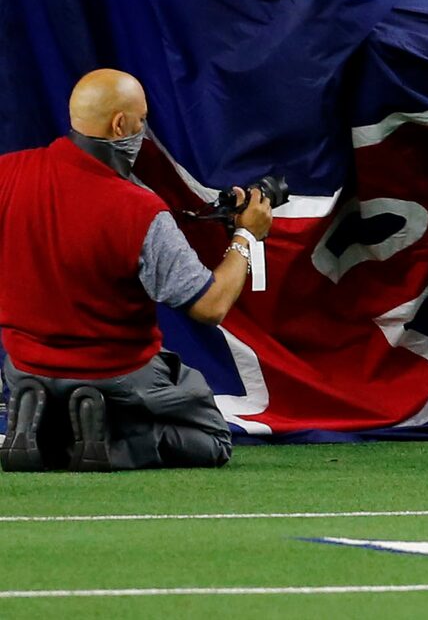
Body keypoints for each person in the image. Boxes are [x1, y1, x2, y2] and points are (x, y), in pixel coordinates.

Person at [0, 70, 269, 471]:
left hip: (24, 366)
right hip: (118, 372)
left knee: (48, 383)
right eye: (141, 120)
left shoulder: (6, 173)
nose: (142, 129)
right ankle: (110, 440)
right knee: (213, 438)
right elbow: (210, 307)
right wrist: (246, 237)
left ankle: (45, 428)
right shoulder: (139, 209)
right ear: (120, 125)